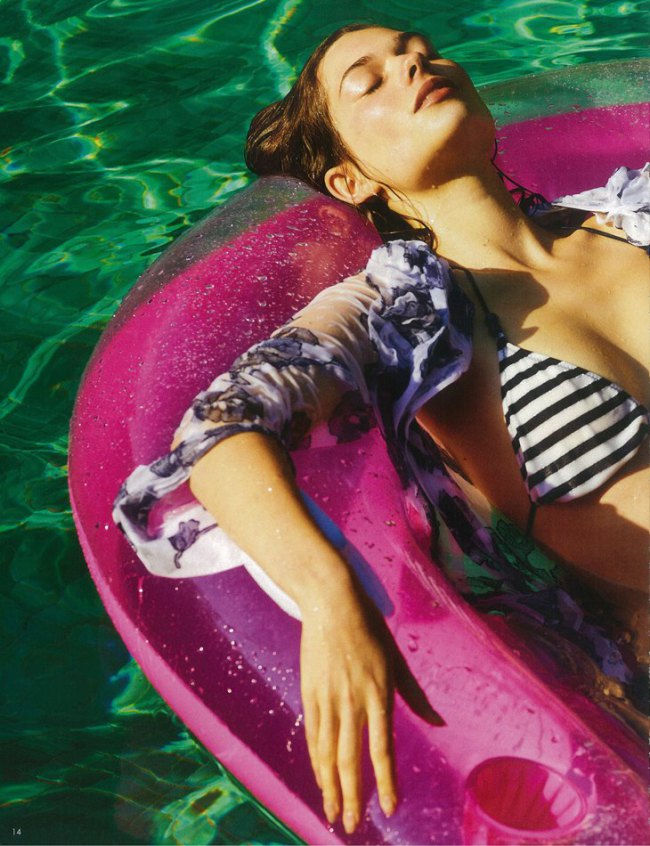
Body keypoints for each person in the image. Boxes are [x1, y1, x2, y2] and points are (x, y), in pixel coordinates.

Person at [113, 24, 649, 834]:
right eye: (370, 80)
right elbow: (224, 433)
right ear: (350, 178)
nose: (412, 65)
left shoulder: (630, 216)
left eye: (419, 51)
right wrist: (330, 597)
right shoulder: (407, 309)